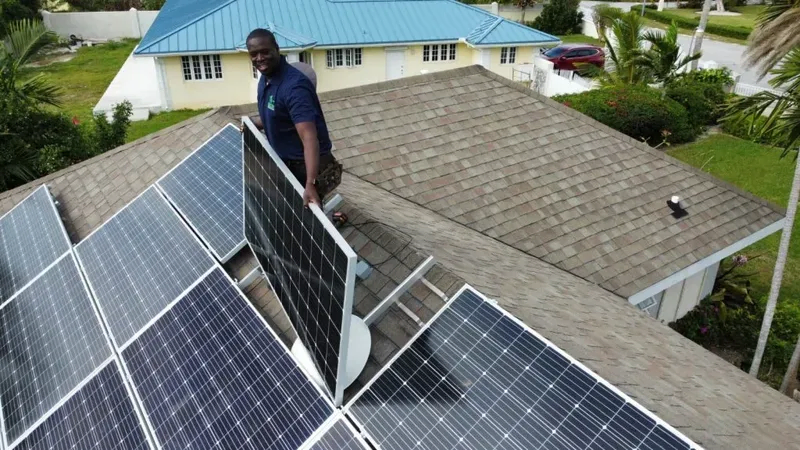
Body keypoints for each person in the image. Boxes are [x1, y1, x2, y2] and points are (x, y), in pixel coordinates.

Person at [245, 28, 339, 207]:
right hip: (286, 165)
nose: (259, 58)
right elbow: (276, 116)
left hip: (306, 167)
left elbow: (309, 138)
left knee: (306, 221)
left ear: (277, 49)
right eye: (254, 54)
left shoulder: (294, 88)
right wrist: (251, 124)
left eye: (265, 52)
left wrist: (310, 183)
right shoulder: (265, 80)